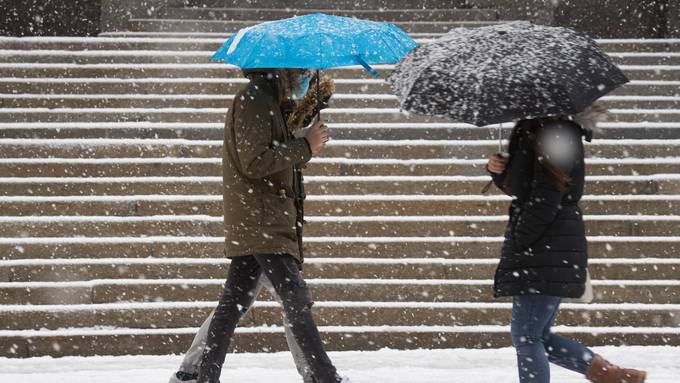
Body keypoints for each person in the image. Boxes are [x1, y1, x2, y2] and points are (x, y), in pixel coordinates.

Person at [169, 72, 336, 383]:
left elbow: (275, 156)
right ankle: (324, 377)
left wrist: (305, 137)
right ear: (282, 70)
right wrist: (305, 147)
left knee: (235, 302)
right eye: (298, 72)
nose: (302, 78)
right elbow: (255, 161)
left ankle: (200, 376)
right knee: (293, 298)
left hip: (265, 216)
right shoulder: (254, 100)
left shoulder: (270, 101)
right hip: (261, 218)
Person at [486, 107, 646, 383]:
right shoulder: (535, 128)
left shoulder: (556, 132)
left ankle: (612, 376)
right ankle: (613, 376)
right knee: (537, 336)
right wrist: (499, 171)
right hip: (548, 244)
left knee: (527, 336)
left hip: (546, 244)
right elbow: (526, 188)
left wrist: (520, 239)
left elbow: (548, 195)